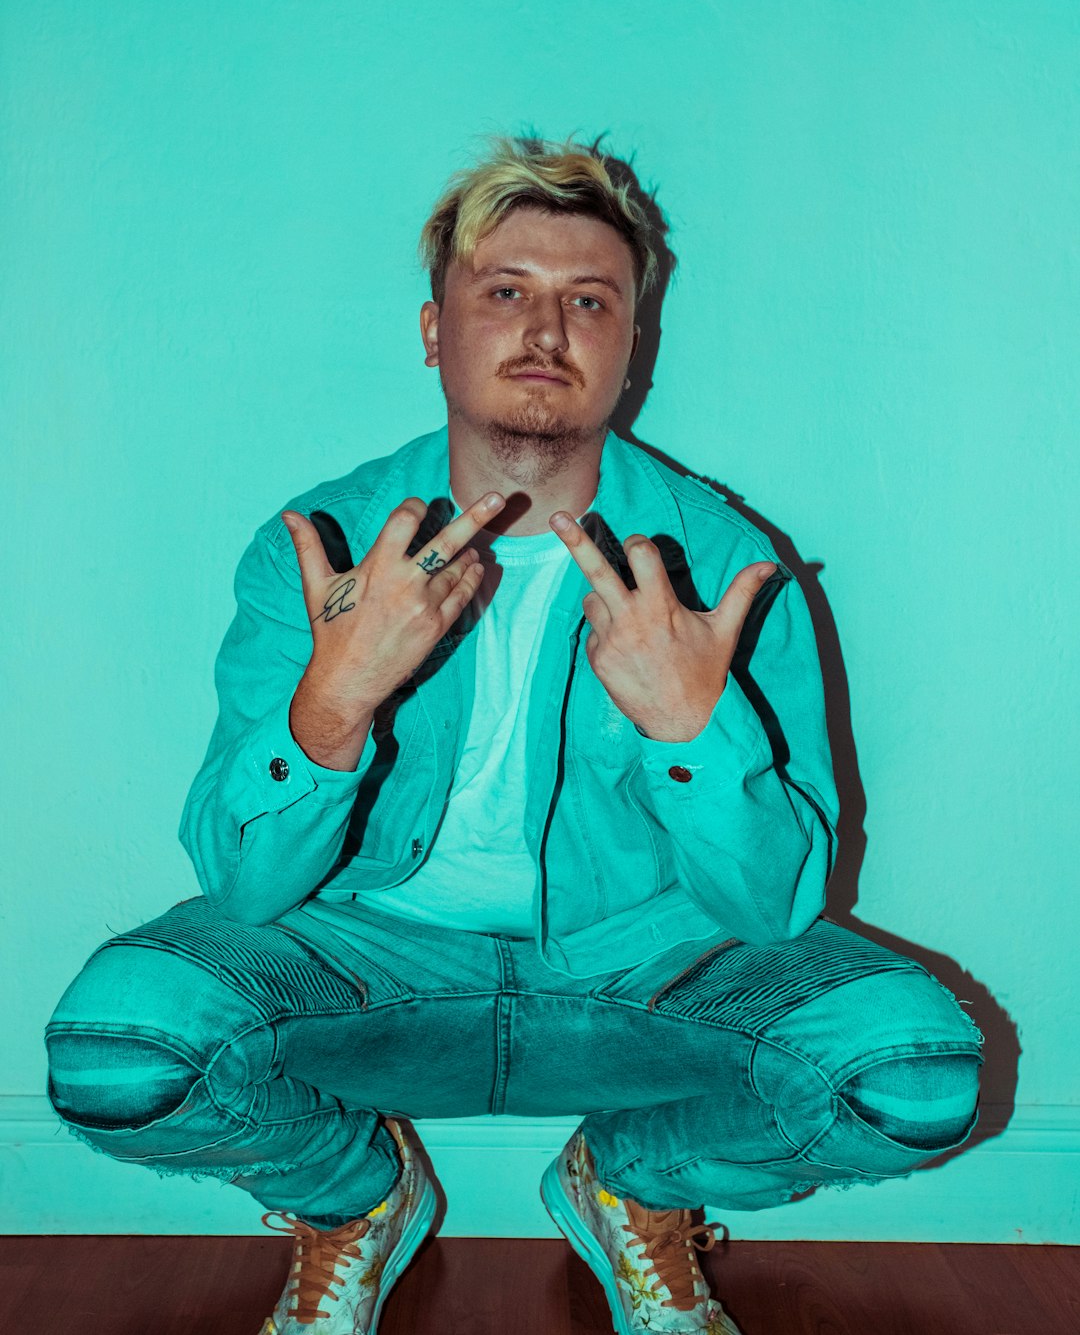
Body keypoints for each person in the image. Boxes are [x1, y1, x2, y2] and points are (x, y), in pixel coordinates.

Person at [45, 134, 984, 1335]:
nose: (548, 329)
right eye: (506, 293)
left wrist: (692, 727)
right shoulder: (322, 545)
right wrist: (334, 700)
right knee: (118, 1055)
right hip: (361, 956)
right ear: (436, 329)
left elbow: (775, 908)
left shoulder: (724, 566)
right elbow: (242, 878)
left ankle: (630, 1185)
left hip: (643, 967)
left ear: (631, 344)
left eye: (590, 300)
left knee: (912, 1076)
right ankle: (353, 1198)